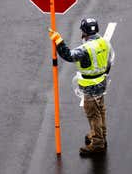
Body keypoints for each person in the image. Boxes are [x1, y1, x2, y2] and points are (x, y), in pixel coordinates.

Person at [48, 18, 114, 156]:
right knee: (100, 111)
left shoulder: (85, 49)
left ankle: (97, 144)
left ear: (84, 32)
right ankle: (101, 136)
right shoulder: (104, 43)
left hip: (90, 87)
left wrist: (58, 41)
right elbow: (109, 61)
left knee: (93, 115)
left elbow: (69, 55)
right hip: (101, 84)